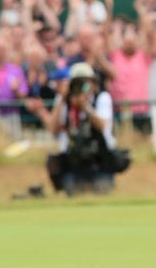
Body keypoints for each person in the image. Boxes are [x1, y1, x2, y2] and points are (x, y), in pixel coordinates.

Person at [29, 62, 117, 195]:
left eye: (86, 83)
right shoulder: (64, 101)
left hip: (99, 160)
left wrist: (85, 107)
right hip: (74, 161)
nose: (83, 88)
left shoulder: (101, 98)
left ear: (93, 83)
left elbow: (102, 126)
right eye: (78, 84)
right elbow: (53, 128)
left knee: (102, 190)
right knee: (72, 190)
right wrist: (63, 99)